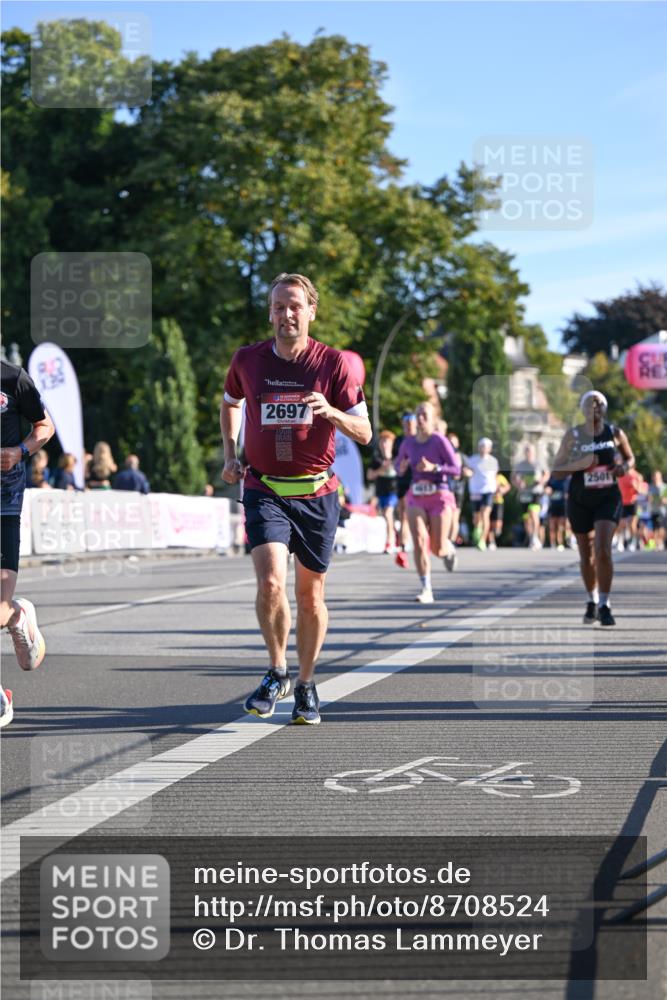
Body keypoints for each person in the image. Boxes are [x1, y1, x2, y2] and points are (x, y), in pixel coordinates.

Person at [220, 272, 371, 725]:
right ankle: (276, 670)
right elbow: (230, 401)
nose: (287, 315)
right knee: (269, 581)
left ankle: (305, 683)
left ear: (311, 312)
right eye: (279, 307)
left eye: (295, 306)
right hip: (264, 487)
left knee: (310, 596)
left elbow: (364, 433)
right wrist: (231, 452)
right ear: (270, 313)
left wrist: (332, 412)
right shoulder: (248, 360)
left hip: (316, 492)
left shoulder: (334, 364)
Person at [1, 359, 55, 727]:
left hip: (3, 500)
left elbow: (45, 426)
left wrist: (19, 452)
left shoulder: (13, 378)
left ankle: (15, 614)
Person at [551, 390, 634, 626]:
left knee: (603, 549)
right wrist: (580, 464)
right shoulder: (573, 435)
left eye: (598, 405)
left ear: (605, 408)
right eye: (589, 405)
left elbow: (630, 459)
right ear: (582, 409)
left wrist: (623, 467)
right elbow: (556, 471)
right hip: (579, 499)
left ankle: (605, 605)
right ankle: (591, 599)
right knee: (586, 555)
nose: (594, 409)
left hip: (608, 497)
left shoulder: (615, 433)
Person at [396, 401, 461, 603]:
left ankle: (448, 549)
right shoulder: (408, 443)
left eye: (425, 415)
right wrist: (403, 466)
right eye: (418, 415)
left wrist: (434, 468)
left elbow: (456, 470)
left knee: (436, 548)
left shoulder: (439, 441)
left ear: (433, 419)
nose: (421, 419)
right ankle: (426, 589)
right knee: (419, 541)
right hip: (416, 496)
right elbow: (398, 466)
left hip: (439, 495)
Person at [462, 437, 499, 551]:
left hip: (488, 491)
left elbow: (494, 476)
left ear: (489, 449)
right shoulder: (472, 460)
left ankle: (482, 540)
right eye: (481, 446)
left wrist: (497, 490)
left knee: (485, 514)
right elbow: (468, 470)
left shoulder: (493, 461)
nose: (483, 448)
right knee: (476, 518)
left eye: (485, 446)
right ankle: (478, 530)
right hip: (475, 491)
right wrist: (467, 473)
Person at [367, 430, 399, 554]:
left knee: (387, 513)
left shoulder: (397, 456)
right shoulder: (376, 458)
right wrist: (381, 469)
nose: (384, 444)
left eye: (387, 441)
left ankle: (389, 542)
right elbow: (369, 475)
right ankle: (394, 535)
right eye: (382, 442)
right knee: (386, 517)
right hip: (381, 491)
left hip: (394, 490)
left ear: (392, 443)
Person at [512, 443, 548, 549]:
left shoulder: (539, 463)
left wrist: (541, 481)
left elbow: (547, 474)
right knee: (526, 518)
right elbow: (514, 477)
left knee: (533, 514)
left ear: (534, 452)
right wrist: (518, 484)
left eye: (530, 451)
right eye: (527, 450)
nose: (529, 452)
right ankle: (531, 538)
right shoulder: (520, 465)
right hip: (524, 493)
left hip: (535, 492)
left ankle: (535, 536)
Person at [392, 412, 416, 569]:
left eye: (410, 423)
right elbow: (395, 459)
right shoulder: (399, 440)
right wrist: (399, 464)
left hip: (417, 480)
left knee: (413, 513)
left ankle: (410, 542)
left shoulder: (419, 439)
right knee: (403, 514)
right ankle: (403, 545)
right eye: (405, 423)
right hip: (402, 480)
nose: (408, 426)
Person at [616, 466, 644, 551]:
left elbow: (641, 490)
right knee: (621, 524)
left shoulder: (637, 476)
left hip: (633, 503)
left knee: (632, 524)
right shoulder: (620, 474)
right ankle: (620, 541)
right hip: (623, 502)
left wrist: (635, 486)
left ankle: (633, 542)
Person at [545, 473, 570, 550]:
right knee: (552, 525)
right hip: (553, 504)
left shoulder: (566, 477)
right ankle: (553, 544)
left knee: (560, 526)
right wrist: (548, 490)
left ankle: (560, 543)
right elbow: (547, 487)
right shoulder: (552, 477)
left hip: (562, 505)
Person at [488, 470, 510, 549]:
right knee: (489, 522)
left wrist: (502, 490)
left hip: (498, 501)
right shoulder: (488, 477)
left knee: (497, 522)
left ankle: (497, 530)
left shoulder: (500, 477)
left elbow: (507, 486)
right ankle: (491, 541)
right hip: (489, 502)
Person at [648, 470, 667, 549]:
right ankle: (657, 544)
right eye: (654, 476)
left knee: (661, 527)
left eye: (657, 476)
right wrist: (650, 499)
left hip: (662, 510)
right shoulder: (651, 487)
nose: (656, 478)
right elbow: (649, 498)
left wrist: (664, 500)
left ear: (660, 477)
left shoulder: (665, 487)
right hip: (653, 510)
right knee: (655, 528)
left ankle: (660, 542)